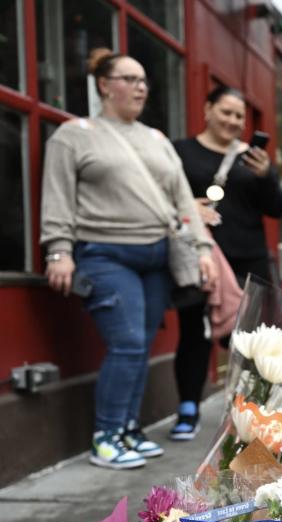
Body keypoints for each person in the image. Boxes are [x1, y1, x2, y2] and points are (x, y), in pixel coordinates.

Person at [41, 48, 216, 470]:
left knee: (140, 346)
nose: (140, 87)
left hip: (157, 258)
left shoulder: (156, 139)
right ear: (104, 84)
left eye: (143, 80)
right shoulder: (74, 135)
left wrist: (203, 248)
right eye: (129, 79)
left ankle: (127, 429)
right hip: (104, 254)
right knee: (128, 343)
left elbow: (182, 201)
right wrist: (59, 250)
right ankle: (106, 435)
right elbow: (57, 197)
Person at [169, 85, 282, 440]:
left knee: (251, 339)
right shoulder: (180, 152)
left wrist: (267, 176)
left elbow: (277, 208)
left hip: (248, 255)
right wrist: (192, 206)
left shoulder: (252, 158)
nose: (233, 121)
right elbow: (164, 198)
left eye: (239, 116)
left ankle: (249, 414)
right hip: (199, 255)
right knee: (194, 332)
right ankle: (188, 408)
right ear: (207, 109)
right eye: (226, 112)